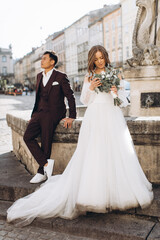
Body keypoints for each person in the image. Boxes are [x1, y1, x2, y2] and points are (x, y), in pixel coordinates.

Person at [7, 45, 153, 226]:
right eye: (96, 58)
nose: (99, 61)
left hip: (112, 117)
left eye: (102, 58)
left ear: (106, 57)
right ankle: (92, 194)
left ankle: (118, 192)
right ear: (92, 60)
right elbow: (84, 99)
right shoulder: (89, 76)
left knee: (116, 152)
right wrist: (91, 87)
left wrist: (115, 92)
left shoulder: (116, 73)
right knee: (93, 153)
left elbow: (123, 101)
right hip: (94, 117)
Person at [23, 51, 76, 184]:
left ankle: (41, 172)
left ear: (52, 62)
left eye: (45, 59)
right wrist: (33, 115)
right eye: (42, 59)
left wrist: (72, 116)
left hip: (53, 113)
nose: (42, 61)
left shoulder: (61, 76)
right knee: (27, 137)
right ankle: (46, 165)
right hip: (39, 112)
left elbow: (70, 96)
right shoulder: (39, 76)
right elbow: (38, 98)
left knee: (46, 141)